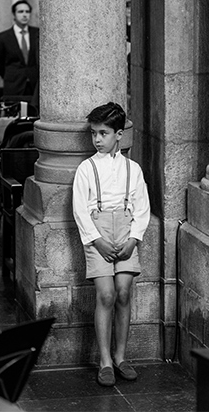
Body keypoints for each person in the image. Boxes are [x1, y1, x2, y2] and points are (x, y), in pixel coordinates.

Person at [72, 102, 150, 387]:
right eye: (94, 133)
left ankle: (120, 356)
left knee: (123, 292)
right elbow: (80, 210)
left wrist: (133, 239)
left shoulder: (133, 169)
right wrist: (97, 241)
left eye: (103, 133)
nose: (97, 139)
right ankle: (104, 360)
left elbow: (142, 208)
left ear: (119, 134)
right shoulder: (86, 168)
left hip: (126, 231)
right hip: (98, 232)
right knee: (105, 295)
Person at [0, 0, 39, 107]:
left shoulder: (37, 33)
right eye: (20, 12)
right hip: (14, 85)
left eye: (27, 12)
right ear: (14, 14)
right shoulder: (3, 37)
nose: (24, 15)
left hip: (34, 84)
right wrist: (11, 75)